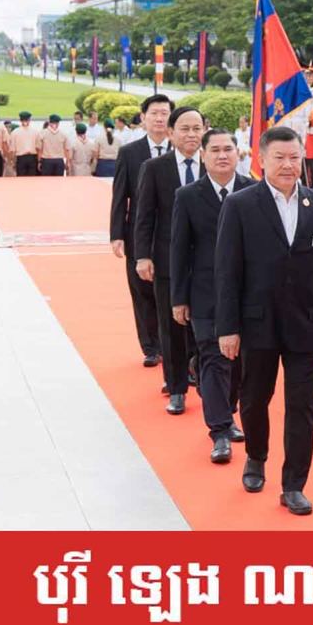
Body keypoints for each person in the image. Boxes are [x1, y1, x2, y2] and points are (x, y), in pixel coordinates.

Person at [216, 126, 313, 515]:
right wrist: (227, 327)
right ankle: (256, 455)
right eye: (280, 158)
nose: (288, 165)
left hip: (306, 323)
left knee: (302, 406)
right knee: (254, 398)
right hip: (256, 323)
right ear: (261, 160)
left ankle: (294, 484)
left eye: (294, 157)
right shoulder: (240, 205)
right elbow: (227, 272)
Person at [171, 128, 251, 463]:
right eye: (214, 150)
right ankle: (219, 431)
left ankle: (228, 412)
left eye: (227, 149)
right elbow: (179, 249)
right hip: (205, 293)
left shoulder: (253, 190)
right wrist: (178, 297)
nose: (222, 155)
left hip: (247, 293)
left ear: (237, 153)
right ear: (203, 156)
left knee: (239, 362)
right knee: (214, 357)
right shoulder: (188, 196)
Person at [135, 105, 203, 415]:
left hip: (206, 262)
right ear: (171, 133)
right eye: (185, 129)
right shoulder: (154, 168)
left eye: (197, 129)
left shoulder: (215, 164)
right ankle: (176, 388)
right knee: (172, 326)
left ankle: (202, 375)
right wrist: (143, 256)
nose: (191, 135)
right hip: (167, 261)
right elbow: (144, 216)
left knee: (205, 325)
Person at [109, 94, 172, 369]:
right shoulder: (129, 152)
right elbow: (120, 195)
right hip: (138, 232)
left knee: (172, 292)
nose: (159, 118)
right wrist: (116, 234)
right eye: (154, 113)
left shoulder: (182, 151)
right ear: (143, 117)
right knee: (142, 291)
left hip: (174, 233)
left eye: (164, 113)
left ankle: (175, 346)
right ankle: (151, 347)